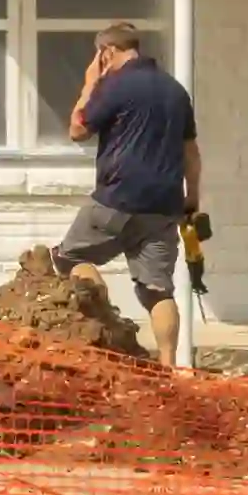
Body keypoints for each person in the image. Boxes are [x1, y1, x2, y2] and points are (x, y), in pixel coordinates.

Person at [56, 22, 201, 367]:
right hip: (165, 206)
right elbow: (192, 153)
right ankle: (171, 368)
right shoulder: (175, 91)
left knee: (69, 259)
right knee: (157, 291)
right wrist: (191, 201)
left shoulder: (115, 85)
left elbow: (77, 130)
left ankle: (105, 321)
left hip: (116, 199)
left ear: (106, 53)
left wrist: (92, 81)